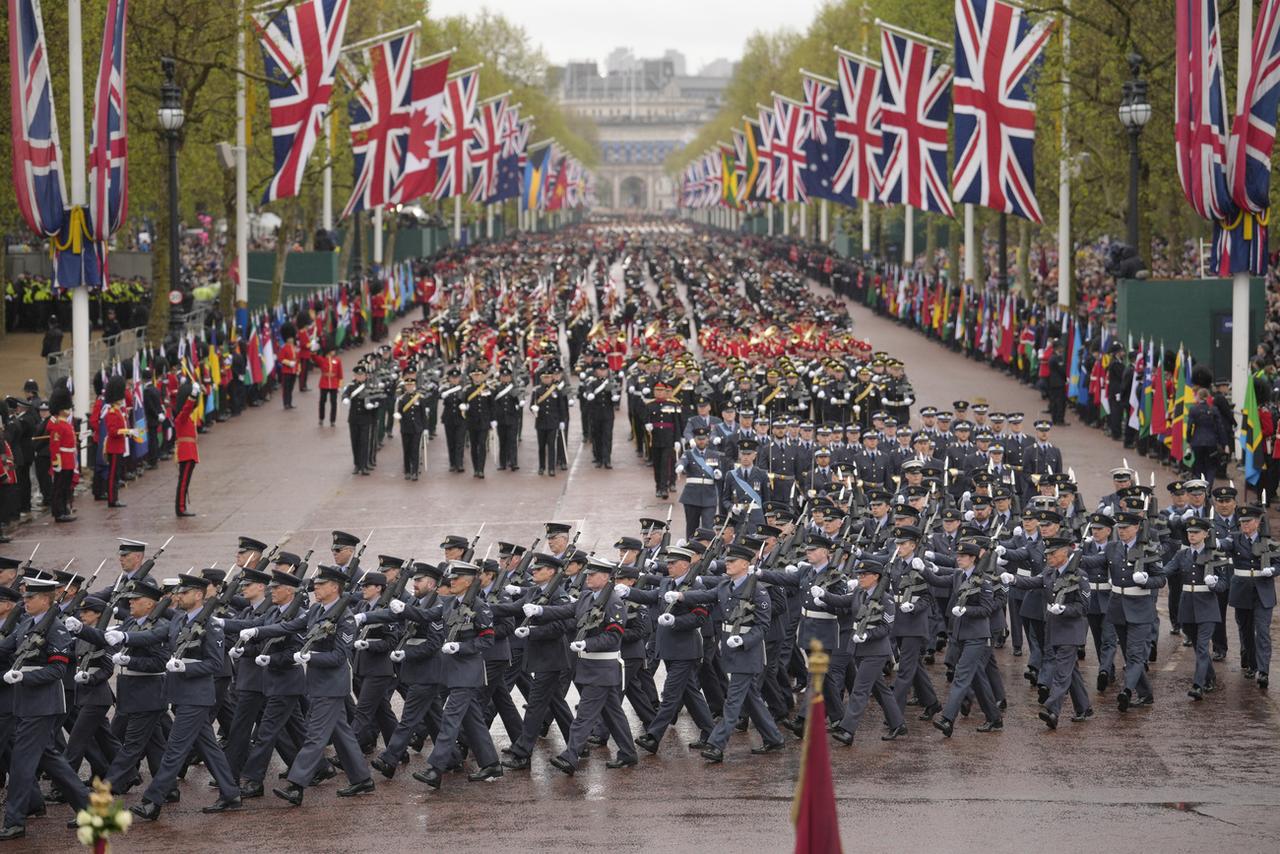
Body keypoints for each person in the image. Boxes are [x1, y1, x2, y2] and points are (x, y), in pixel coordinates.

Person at [241, 564, 374, 806]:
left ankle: (296, 785)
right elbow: (287, 626)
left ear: (335, 587)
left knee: (315, 736)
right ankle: (362, 778)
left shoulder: (345, 619)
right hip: (319, 684)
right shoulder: (315, 610)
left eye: (321, 584)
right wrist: (257, 631)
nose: (316, 587)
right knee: (342, 733)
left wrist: (311, 657)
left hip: (332, 687)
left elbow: (338, 657)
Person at [119, 573, 241, 820]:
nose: (178, 596)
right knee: (209, 747)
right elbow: (153, 636)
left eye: (184, 593)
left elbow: (216, 664)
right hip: (181, 694)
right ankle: (230, 793)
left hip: (196, 697)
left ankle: (153, 801)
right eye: (179, 592)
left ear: (198, 595)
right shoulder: (178, 620)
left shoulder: (211, 625)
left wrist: (187, 667)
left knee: (174, 750)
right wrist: (124, 636)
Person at [0, 575, 90, 841]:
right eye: (25, 596)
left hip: (42, 704)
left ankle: (14, 821)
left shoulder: (56, 629)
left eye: (30, 597)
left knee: (21, 764)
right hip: (25, 702)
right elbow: (4, 650)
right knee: (50, 759)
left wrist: (25, 677)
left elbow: (57, 669)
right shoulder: (27, 623)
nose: (25, 601)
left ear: (46, 599)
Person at [678, 543, 785, 761]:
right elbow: (706, 595)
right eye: (727, 561)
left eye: (732, 561)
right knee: (751, 698)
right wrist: (681, 597)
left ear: (746, 564)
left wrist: (744, 640)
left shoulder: (758, 590)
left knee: (733, 701)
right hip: (730, 647)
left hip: (748, 652)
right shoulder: (726, 584)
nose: (727, 564)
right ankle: (774, 738)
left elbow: (763, 626)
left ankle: (716, 745)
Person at [46, 388, 77, 523]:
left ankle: (64, 510)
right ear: (60, 408)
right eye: (66, 407)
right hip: (62, 460)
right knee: (59, 487)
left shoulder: (66, 424)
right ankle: (58, 512)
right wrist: (56, 462)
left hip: (69, 459)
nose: (68, 409)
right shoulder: (58, 425)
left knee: (65, 487)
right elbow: (55, 446)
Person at [173, 381, 199, 517]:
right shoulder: (181, 418)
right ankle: (181, 508)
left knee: (184, 482)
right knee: (183, 483)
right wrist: (193, 396)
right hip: (186, 453)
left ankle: (181, 507)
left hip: (189, 452)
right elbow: (186, 408)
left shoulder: (186, 418)